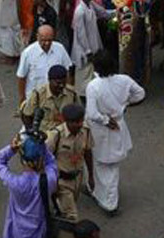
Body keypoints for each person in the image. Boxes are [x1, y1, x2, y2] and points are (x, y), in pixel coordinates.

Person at [85, 53, 145, 215]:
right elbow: (140, 94)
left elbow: (91, 113)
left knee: (104, 166)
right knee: (110, 166)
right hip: (118, 125)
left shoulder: (93, 86)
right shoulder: (124, 80)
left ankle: (109, 202)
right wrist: (125, 105)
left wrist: (105, 120)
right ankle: (100, 193)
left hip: (100, 130)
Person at [0, 136, 58, 238]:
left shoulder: (14, 183)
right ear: (40, 159)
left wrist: (11, 149)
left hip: (16, 230)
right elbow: (52, 163)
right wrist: (43, 148)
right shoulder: (49, 181)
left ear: (22, 158)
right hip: (38, 230)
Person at [46, 104, 93, 224]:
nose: (79, 124)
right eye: (75, 122)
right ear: (66, 121)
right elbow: (44, 160)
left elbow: (87, 152)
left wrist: (91, 176)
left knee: (67, 210)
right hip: (61, 181)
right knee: (71, 216)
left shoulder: (85, 131)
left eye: (81, 121)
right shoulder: (55, 136)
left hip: (78, 177)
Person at [17, 26, 73, 106]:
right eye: (43, 40)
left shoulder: (60, 49)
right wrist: (22, 99)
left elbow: (67, 71)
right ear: (37, 37)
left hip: (57, 98)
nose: (46, 43)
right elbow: (21, 77)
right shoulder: (28, 53)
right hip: (36, 99)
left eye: (49, 40)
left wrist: (69, 93)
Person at [71, 0, 112, 89]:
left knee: (92, 73)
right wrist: (88, 51)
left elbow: (103, 13)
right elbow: (81, 34)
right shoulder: (80, 11)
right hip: (85, 49)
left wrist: (115, 13)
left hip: (94, 42)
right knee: (85, 75)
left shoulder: (91, 4)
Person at [21, 65, 79, 135]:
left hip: (65, 136)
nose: (61, 86)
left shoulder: (72, 94)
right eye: (58, 83)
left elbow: (79, 115)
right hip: (44, 135)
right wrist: (32, 133)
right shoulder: (38, 94)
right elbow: (27, 115)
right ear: (49, 80)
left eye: (64, 83)